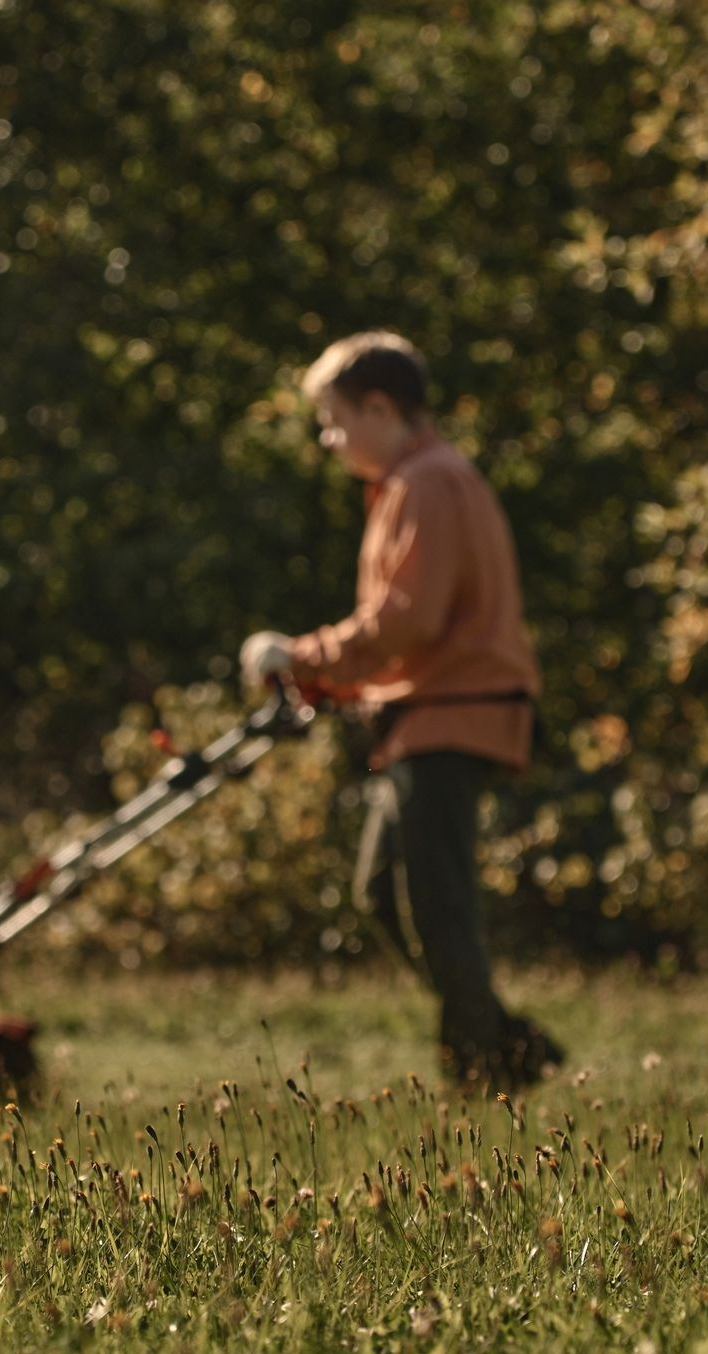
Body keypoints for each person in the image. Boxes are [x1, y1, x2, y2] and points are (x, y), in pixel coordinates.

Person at [241, 331, 564, 1091]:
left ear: (379, 407)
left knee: (436, 904)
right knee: (383, 890)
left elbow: (407, 621)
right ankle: (507, 1041)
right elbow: (414, 635)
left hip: (455, 713)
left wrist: (303, 655)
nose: (328, 438)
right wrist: (335, 682)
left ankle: (486, 1072)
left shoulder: (427, 483)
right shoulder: (416, 483)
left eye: (333, 419)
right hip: (429, 711)